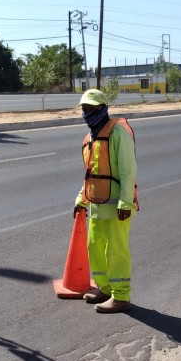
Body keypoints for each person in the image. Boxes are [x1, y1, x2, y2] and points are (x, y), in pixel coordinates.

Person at [73, 89, 138, 314]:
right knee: (95, 247)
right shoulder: (89, 137)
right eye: (84, 109)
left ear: (104, 109)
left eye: (92, 109)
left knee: (116, 250)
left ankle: (121, 296)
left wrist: (125, 203)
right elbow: (91, 173)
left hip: (117, 206)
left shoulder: (118, 132)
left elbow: (128, 171)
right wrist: (81, 199)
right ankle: (106, 288)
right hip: (96, 204)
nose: (87, 113)